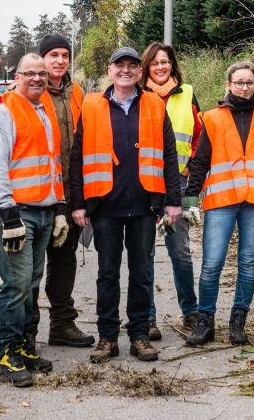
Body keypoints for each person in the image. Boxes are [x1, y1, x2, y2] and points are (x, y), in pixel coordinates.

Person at [68, 47, 183, 364]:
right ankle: (107, 338)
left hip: (144, 206)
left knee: (142, 273)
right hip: (105, 205)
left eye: (133, 65)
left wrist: (173, 201)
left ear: (139, 72)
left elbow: (169, 155)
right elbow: (77, 158)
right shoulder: (92, 105)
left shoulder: (154, 105)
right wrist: (78, 203)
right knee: (107, 274)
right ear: (110, 70)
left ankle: (139, 336)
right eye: (120, 65)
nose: (126, 70)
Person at [184, 61, 254, 347]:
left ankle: (238, 321)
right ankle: (205, 322)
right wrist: (191, 197)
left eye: (249, 82)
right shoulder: (212, 119)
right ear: (228, 85)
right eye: (239, 82)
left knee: (248, 263)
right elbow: (200, 161)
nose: (244, 87)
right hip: (222, 201)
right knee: (212, 264)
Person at [0, 52, 63, 386]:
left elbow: (52, 164)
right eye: (30, 73)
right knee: (16, 283)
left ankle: (26, 347)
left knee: (31, 282)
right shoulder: (3, 114)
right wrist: (8, 216)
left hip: (43, 210)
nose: (37, 78)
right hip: (15, 213)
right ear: (16, 76)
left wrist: (58, 208)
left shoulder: (43, 111)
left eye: (41, 74)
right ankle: (7, 352)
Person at [34, 33, 95, 348]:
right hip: (36, 198)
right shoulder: (29, 92)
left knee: (64, 264)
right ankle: (25, 333)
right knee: (30, 270)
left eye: (64, 55)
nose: (59, 61)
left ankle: (62, 325)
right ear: (42, 58)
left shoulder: (78, 93)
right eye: (53, 55)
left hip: (70, 196)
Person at [141, 41, 200, 337]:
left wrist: (189, 169)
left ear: (172, 64)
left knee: (180, 251)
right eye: (155, 63)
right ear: (147, 67)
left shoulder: (187, 93)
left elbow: (200, 136)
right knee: (145, 253)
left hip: (178, 183)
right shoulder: (139, 96)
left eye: (165, 62)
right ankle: (147, 318)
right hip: (146, 184)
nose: (160, 67)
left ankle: (190, 313)